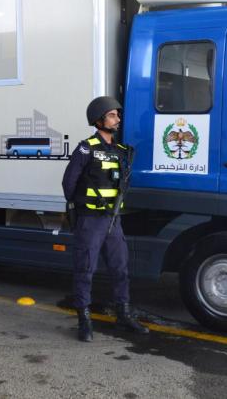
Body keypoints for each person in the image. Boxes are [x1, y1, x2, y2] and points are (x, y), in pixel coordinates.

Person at [62, 96, 150, 342]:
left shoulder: (120, 151)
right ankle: (84, 320)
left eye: (117, 115)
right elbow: (69, 184)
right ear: (99, 120)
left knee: (120, 268)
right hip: (91, 220)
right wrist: (83, 208)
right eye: (112, 115)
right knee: (85, 270)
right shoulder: (86, 148)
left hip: (113, 221)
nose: (117, 119)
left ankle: (123, 315)